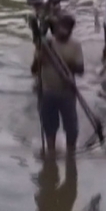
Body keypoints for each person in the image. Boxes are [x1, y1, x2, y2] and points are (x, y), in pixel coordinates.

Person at [31, 14, 84, 153]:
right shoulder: (46, 44)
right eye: (60, 27)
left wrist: (64, 64)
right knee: (49, 126)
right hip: (47, 92)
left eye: (66, 28)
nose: (62, 31)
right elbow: (33, 69)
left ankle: (71, 154)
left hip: (67, 92)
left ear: (71, 30)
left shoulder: (75, 45)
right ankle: (51, 153)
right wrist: (41, 59)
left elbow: (80, 69)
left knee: (71, 128)